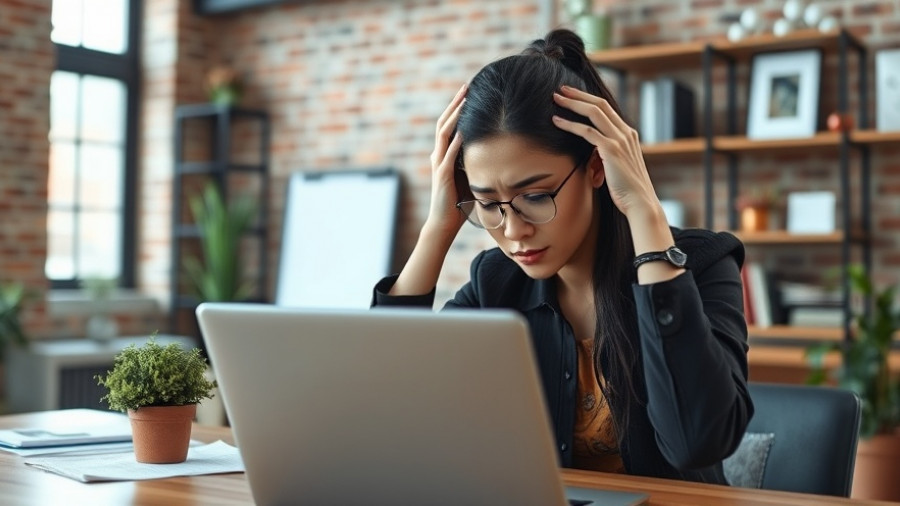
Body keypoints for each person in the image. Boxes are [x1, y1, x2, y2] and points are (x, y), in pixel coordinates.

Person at [372, 29, 751, 485]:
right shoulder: (497, 282)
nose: (513, 231)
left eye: (535, 196)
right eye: (488, 204)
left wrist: (645, 211)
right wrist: (437, 227)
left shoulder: (702, 264)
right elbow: (385, 406)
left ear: (597, 167)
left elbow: (696, 443)